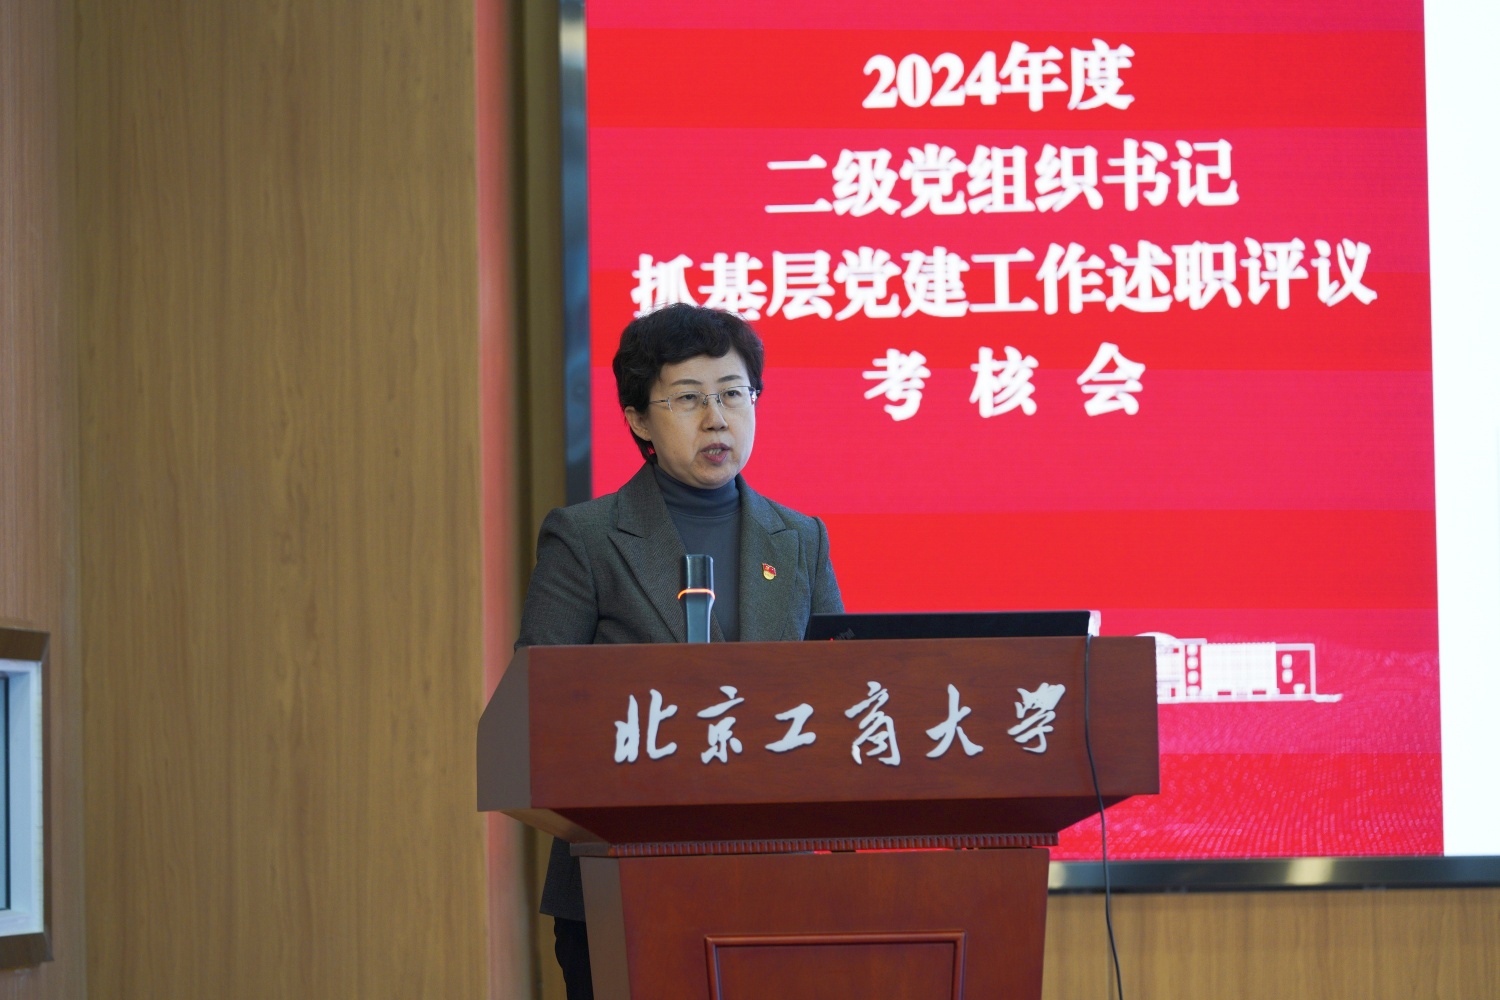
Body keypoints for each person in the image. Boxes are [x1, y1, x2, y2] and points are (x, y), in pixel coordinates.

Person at [514, 303, 844, 998]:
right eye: (689, 399)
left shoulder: (800, 539)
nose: (717, 419)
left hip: (778, 885)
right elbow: (537, 712)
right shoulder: (585, 538)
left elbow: (842, 701)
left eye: (733, 394)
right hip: (623, 885)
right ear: (638, 419)